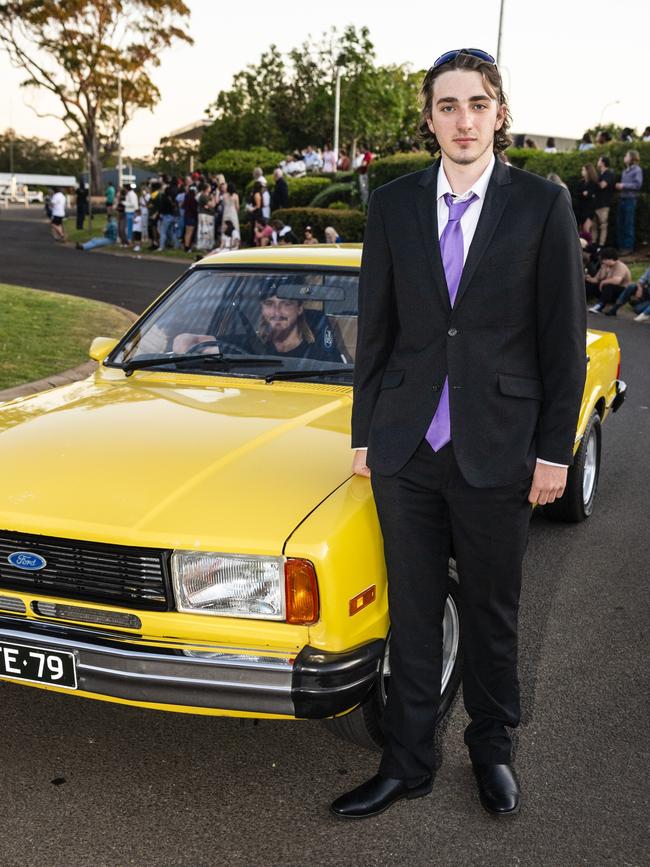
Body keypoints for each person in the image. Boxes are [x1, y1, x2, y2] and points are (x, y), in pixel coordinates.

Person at [333, 48, 585, 821]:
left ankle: (492, 750)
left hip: (499, 446)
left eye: (476, 104)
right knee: (411, 612)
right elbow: (377, 328)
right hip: (406, 446)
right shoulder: (394, 203)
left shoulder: (543, 204)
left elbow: (561, 336)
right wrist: (364, 431)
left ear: (499, 113)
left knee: (491, 610)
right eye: (447, 106)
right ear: (430, 117)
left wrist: (552, 451)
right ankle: (406, 762)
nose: (463, 119)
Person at [615, 149, 643, 254]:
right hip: (622, 199)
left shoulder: (637, 170)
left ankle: (628, 248)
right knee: (621, 223)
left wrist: (623, 186)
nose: (624, 157)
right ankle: (621, 247)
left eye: (626, 155)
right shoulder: (625, 171)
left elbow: (638, 185)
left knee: (628, 224)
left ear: (632, 157)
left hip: (630, 200)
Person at [586, 248, 632, 312]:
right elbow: (596, 279)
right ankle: (582, 298)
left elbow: (617, 281)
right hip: (605, 290)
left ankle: (600, 305)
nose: (602, 261)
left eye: (604, 259)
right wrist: (588, 278)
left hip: (620, 291)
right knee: (590, 285)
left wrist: (603, 282)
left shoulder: (620, 266)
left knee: (609, 286)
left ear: (610, 259)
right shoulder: (605, 266)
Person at [594, 156, 616, 246]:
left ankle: (601, 245)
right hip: (596, 204)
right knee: (594, 225)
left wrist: (593, 182)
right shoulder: (600, 174)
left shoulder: (609, 174)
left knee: (603, 226)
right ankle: (594, 244)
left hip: (604, 204)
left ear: (603, 163)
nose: (598, 162)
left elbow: (603, 185)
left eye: (599, 160)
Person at [575, 164, 599, 236]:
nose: (582, 171)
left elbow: (591, 195)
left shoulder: (593, 183)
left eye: (583, 170)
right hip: (580, 210)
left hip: (589, 211)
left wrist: (586, 194)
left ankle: (589, 246)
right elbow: (577, 194)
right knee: (580, 231)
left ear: (588, 171)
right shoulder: (581, 183)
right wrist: (583, 194)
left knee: (586, 230)